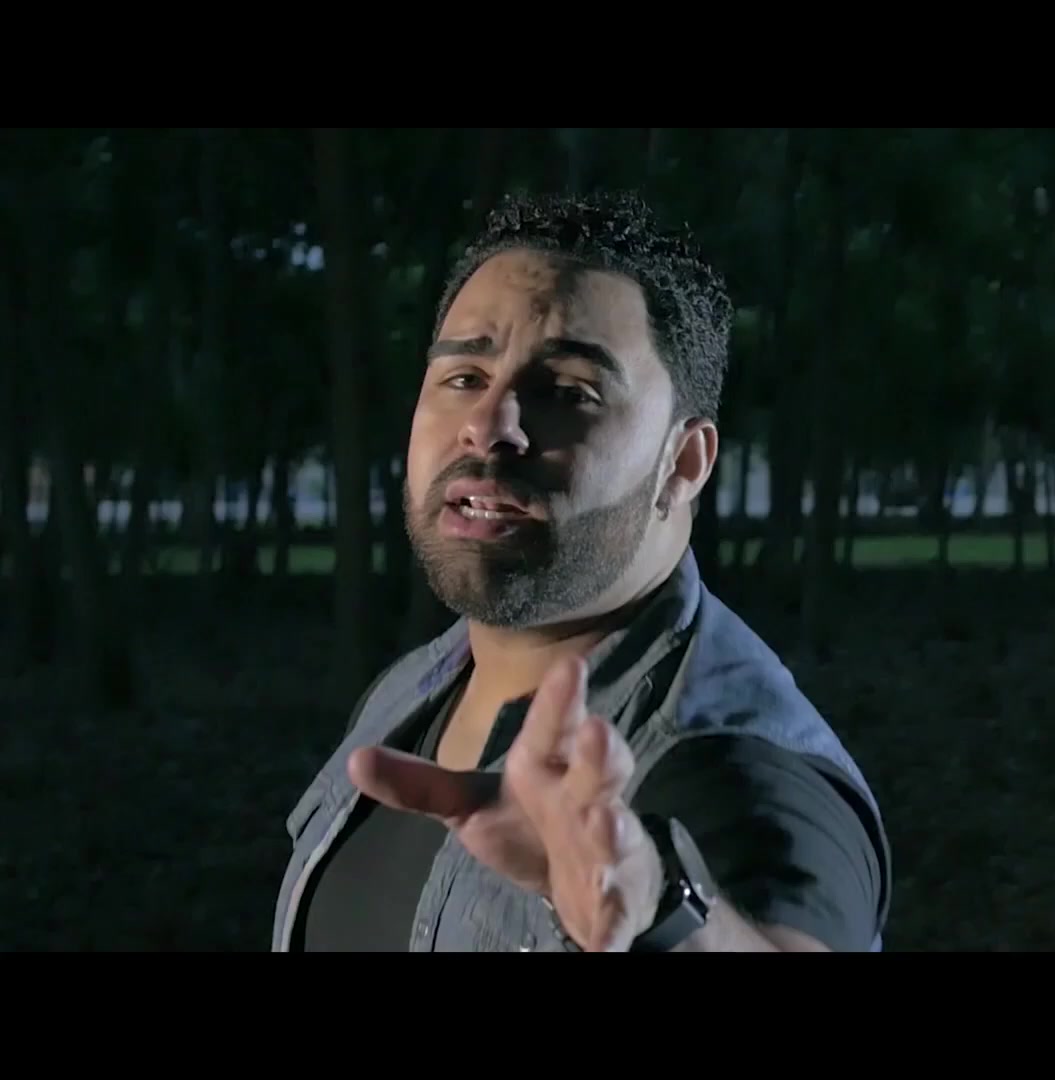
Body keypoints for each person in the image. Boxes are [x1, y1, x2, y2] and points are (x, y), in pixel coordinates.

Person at [271, 190, 890, 953]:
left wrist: (660, 913)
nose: (489, 427)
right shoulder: (411, 690)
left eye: (568, 392)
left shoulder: (734, 764)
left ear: (684, 462)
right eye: (465, 377)